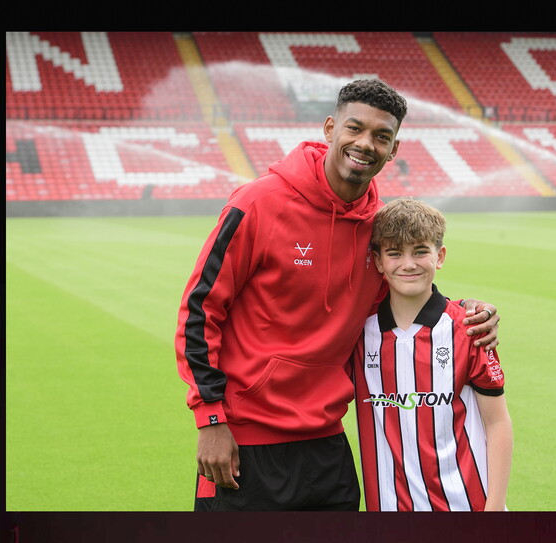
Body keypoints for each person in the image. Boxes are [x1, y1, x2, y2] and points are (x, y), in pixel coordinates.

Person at [175, 79, 501, 511]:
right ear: (330, 128)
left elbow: (402, 297)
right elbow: (200, 311)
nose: (365, 143)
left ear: (393, 150)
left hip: (328, 447)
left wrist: (466, 311)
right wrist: (210, 418)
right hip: (245, 442)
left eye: (381, 136)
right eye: (355, 128)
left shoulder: (378, 228)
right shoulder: (259, 203)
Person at [351, 198, 513, 511]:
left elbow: (497, 422)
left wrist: (495, 507)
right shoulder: (358, 333)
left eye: (420, 251)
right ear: (378, 261)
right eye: (394, 253)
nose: (408, 264)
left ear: (439, 256)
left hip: (466, 506)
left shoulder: (470, 330)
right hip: (388, 507)